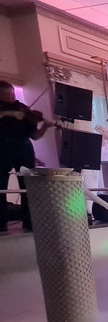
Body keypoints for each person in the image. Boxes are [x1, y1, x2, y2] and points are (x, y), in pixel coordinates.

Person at [0, 81, 57, 232]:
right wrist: (8, 113)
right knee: (1, 186)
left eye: (12, 94)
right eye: (6, 94)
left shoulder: (23, 109)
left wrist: (45, 126)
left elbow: (35, 136)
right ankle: (0, 224)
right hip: (2, 150)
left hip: (23, 150)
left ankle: (30, 222)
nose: (11, 97)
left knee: (29, 186)